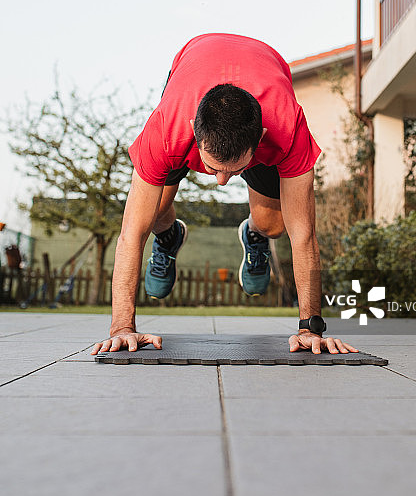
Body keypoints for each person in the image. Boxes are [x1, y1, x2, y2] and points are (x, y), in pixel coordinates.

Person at [92, 33, 358, 356]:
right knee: (152, 211)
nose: (221, 181)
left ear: (259, 139)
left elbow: (304, 235)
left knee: (276, 225)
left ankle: (256, 234)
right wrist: (121, 327)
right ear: (193, 130)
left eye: (233, 170)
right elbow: (130, 234)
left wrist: (310, 328)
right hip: (191, 69)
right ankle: (168, 237)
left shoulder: (288, 126)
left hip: (265, 78)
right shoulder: (166, 127)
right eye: (213, 167)